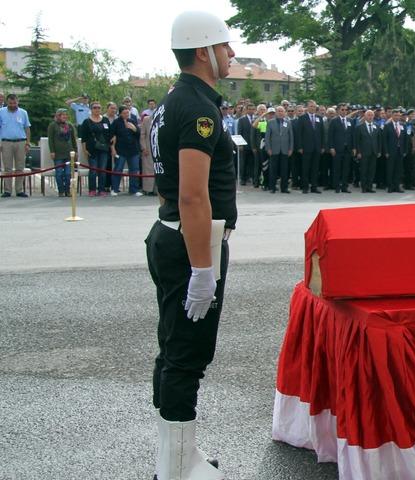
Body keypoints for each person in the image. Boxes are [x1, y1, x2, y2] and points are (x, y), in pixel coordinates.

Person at [146, 10, 236, 479]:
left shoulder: (171, 100)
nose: (231, 54)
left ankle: (176, 457)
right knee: (187, 356)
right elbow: (191, 193)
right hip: (191, 241)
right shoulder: (198, 106)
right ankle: (177, 469)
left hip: (170, 235)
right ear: (203, 50)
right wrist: (203, 270)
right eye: (224, 46)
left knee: (172, 349)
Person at [0, 94, 31, 198]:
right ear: (7, 102)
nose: (12, 105)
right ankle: (7, 191)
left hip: (21, 142)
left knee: (20, 167)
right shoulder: (1, 112)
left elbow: (27, 128)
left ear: (18, 102)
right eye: (10, 103)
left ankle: (19, 190)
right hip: (6, 142)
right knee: (7, 168)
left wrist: (27, 143)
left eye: (14, 103)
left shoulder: (23, 112)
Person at [80, 102, 112, 196]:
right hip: (92, 149)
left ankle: (101, 189)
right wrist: (84, 149)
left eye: (99, 107)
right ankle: (92, 189)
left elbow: (109, 133)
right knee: (93, 170)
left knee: (102, 170)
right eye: (94, 108)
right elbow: (83, 137)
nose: (97, 109)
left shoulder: (105, 120)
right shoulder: (86, 122)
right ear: (91, 109)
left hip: (103, 149)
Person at [110, 105, 142, 196]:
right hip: (120, 150)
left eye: (128, 112)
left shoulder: (132, 121)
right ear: (120, 114)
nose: (126, 114)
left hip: (133, 150)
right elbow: (111, 137)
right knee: (118, 169)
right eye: (124, 113)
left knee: (134, 169)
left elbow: (138, 134)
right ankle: (114, 189)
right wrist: (113, 149)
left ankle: (134, 189)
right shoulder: (116, 123)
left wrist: (134, 129)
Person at [47, 108, 79, 197]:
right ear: (58, 116)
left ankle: (67, 190)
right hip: (58, 154)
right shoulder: (53, 125)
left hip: (69, 153)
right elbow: (51, 140)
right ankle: (61, 190)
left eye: (66, 114)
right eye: (62, 114)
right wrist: (52, 151)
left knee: (68, 173)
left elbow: (73, 139)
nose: (65, 116)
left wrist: (75, 151)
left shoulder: (70, 125)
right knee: (59, 173)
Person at [296, 100, 324, 193]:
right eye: (311, 106)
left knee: (315, 168)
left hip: (317, 148)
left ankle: (314, 187)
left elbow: (322, 133)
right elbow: (298, 134)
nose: (312, 108)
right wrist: (299, 147)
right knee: (305, 168)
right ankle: (305, 187)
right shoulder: (302, 118)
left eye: (314, 106)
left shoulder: (319, 118)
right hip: (306, 148)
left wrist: (322, 146)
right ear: (307, 107)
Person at [266, 105, 293, 194]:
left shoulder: (288, 122)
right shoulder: (270, 122)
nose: (280, 113)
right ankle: (272, 187)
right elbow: (267, 137)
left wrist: (290, 148)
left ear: (284, 113)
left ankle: (284, 188)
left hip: (285, 149)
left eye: (282, 111)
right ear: (276, 113)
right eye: (279, 111)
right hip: (274, 149)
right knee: (273, 169)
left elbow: (291, 137)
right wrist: (268, 148)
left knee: (284, 170)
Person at [328, 103, 354, 193]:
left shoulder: (350, 120)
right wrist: (331, 147)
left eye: (345, 110)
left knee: (346, 169)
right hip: (337, 149)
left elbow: (352, 135)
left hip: (348, 149)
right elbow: (330, 136)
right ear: (338, 110)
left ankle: (344, 186)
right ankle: (337, 186)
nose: (344, 111)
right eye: (342, 109)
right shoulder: (334, 121)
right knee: (337, 169)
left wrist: (354, 147)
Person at [354, 108, 381, 192]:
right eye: (368, 115)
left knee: (371, 170)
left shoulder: (377, 126)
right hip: (363, 152)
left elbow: (379, 140)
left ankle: (370, 187)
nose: (370, 117)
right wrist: (358, 152)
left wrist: (379, 151)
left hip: (374, 152)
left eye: (372, 115)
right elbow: (357, 141)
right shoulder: (359, 127)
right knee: (364, 170)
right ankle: (364, 187)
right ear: (365, 116)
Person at [381, 108, 407, 193]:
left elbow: (405, 139)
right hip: (391, 151)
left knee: (398, 170)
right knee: (390, 169)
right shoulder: (387, 125)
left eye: (398, 115)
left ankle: (397, 186)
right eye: (395, 115)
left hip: (400, 151)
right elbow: (384, 140)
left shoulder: (403, 125)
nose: (397, 117)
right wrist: (386, 152)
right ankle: (390, 186)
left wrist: (405, 151)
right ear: (392, 116)